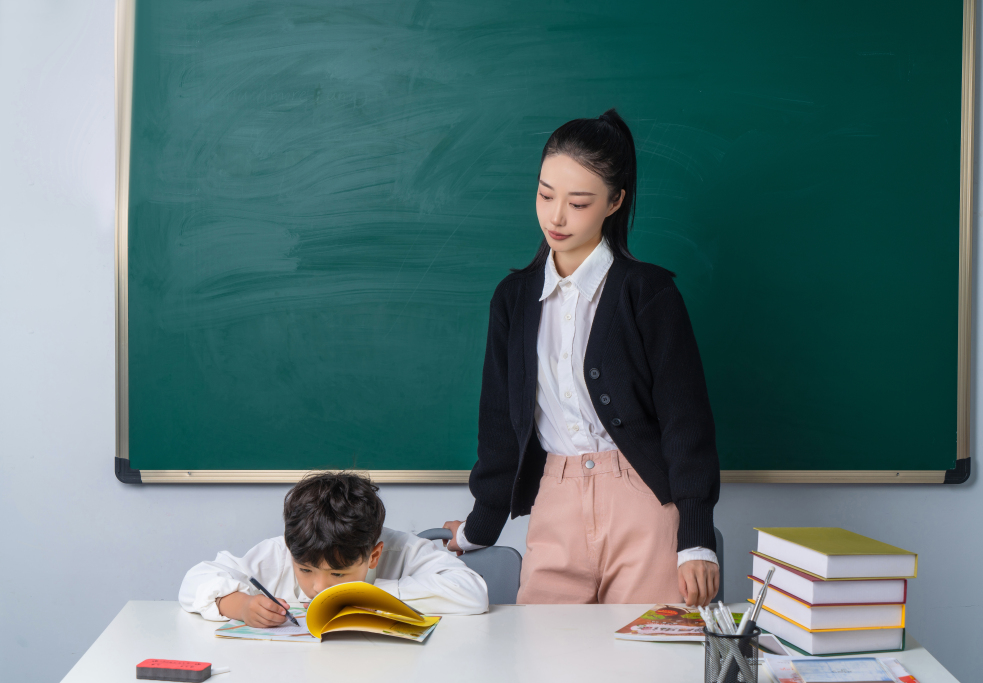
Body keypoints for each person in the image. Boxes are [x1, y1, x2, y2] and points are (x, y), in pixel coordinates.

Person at [443, 109, 720, 606]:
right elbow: (501, 426)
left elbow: (686, 419)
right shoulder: (513, 298)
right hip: (556, 498)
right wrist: (479, 527)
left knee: (647, 664)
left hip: (643, 501)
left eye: (579, 202)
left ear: (614, 202)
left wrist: (696, 535)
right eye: (545, 195)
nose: (556, 217)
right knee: (544, 662)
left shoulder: (649, 293)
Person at [180, 472, 488, 627]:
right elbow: (196, 579)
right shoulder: (280, 551)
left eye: (338, 573)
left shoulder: (403, 550)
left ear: (374, 555)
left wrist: (367, 596)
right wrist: (241, 606)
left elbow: (472, 592)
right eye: (305, 570)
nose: (319, 588)